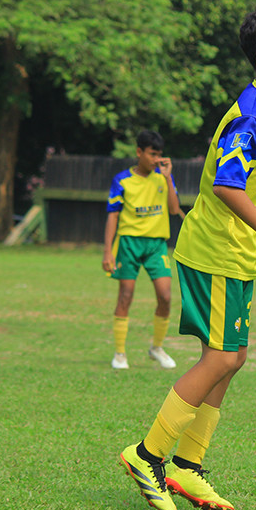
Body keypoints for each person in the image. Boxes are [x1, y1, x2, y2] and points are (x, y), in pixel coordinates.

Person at [118, 4, 256, 510]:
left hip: (235, 251)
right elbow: (228, 183)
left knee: (233, 356)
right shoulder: (254, 111)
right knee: (222, 356)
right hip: (217, 250)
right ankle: (147, 455)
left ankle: (188, 466)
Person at [102, 130, 184, 370]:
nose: (156, 159)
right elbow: (112, 216)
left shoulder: (163, 177)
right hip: (128, 243)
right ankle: (119, 354)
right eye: (152, 154)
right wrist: (108, 251)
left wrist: (168, 178)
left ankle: (156, 348)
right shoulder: (122, 180)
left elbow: (173, 209)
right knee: (125, 296)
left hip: (156, 244)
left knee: (166, 296)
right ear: (139, 152)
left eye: (159, 154)